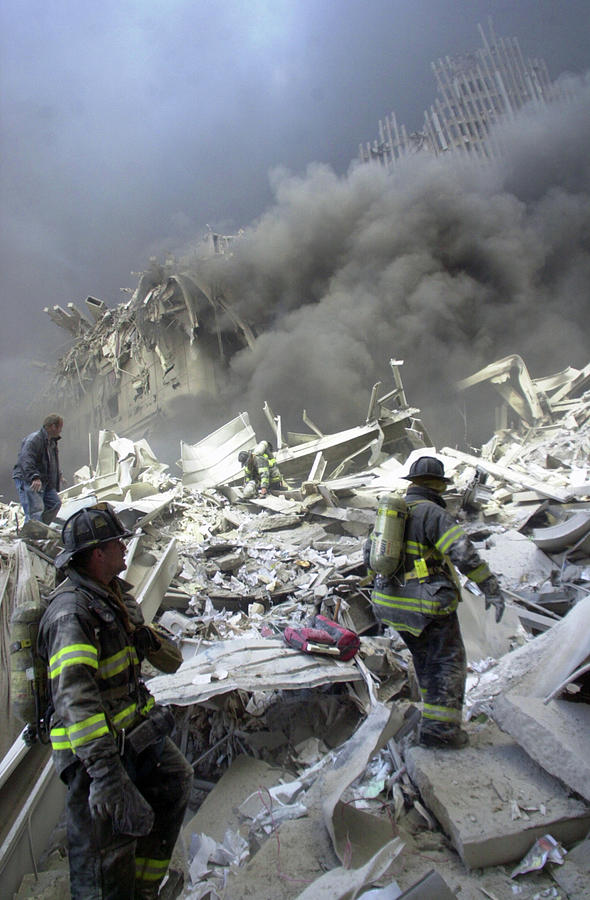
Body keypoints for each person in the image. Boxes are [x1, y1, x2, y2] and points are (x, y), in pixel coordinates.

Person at [37, 503, 194, 899]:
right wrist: (105, 775)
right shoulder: (71, 614)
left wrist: (148, 639)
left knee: (174, 784)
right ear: (96, 554)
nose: (125, 550)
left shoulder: (115, 599)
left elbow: (169, 662)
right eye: (116, 544)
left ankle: (144, 889)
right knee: (104, 860)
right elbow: (77, 701)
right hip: (97, 755)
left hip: (135, 736)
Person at [366, 456, 504, 749]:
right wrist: (490, 587)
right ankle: (441, 731)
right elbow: (464, 554)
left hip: (390, 604)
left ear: (412, 484)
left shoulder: (391, 513)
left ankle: (432, 719)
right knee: (448, 662)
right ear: (438, 485)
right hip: (425, 607)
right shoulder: (432, 513)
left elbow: (369, 558)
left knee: (426, 660)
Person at [13, 414, 64, 524]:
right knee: (35, 511)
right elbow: (26, 459)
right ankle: (34, 537)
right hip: (28, 479)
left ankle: (40, 530)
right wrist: (34, 477)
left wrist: (58, 474)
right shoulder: (34, 440)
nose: (61, 430)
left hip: (44, 480)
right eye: (60, 427)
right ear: (53, 426)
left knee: (54, 504)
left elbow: (51, 461)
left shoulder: (51, 442)